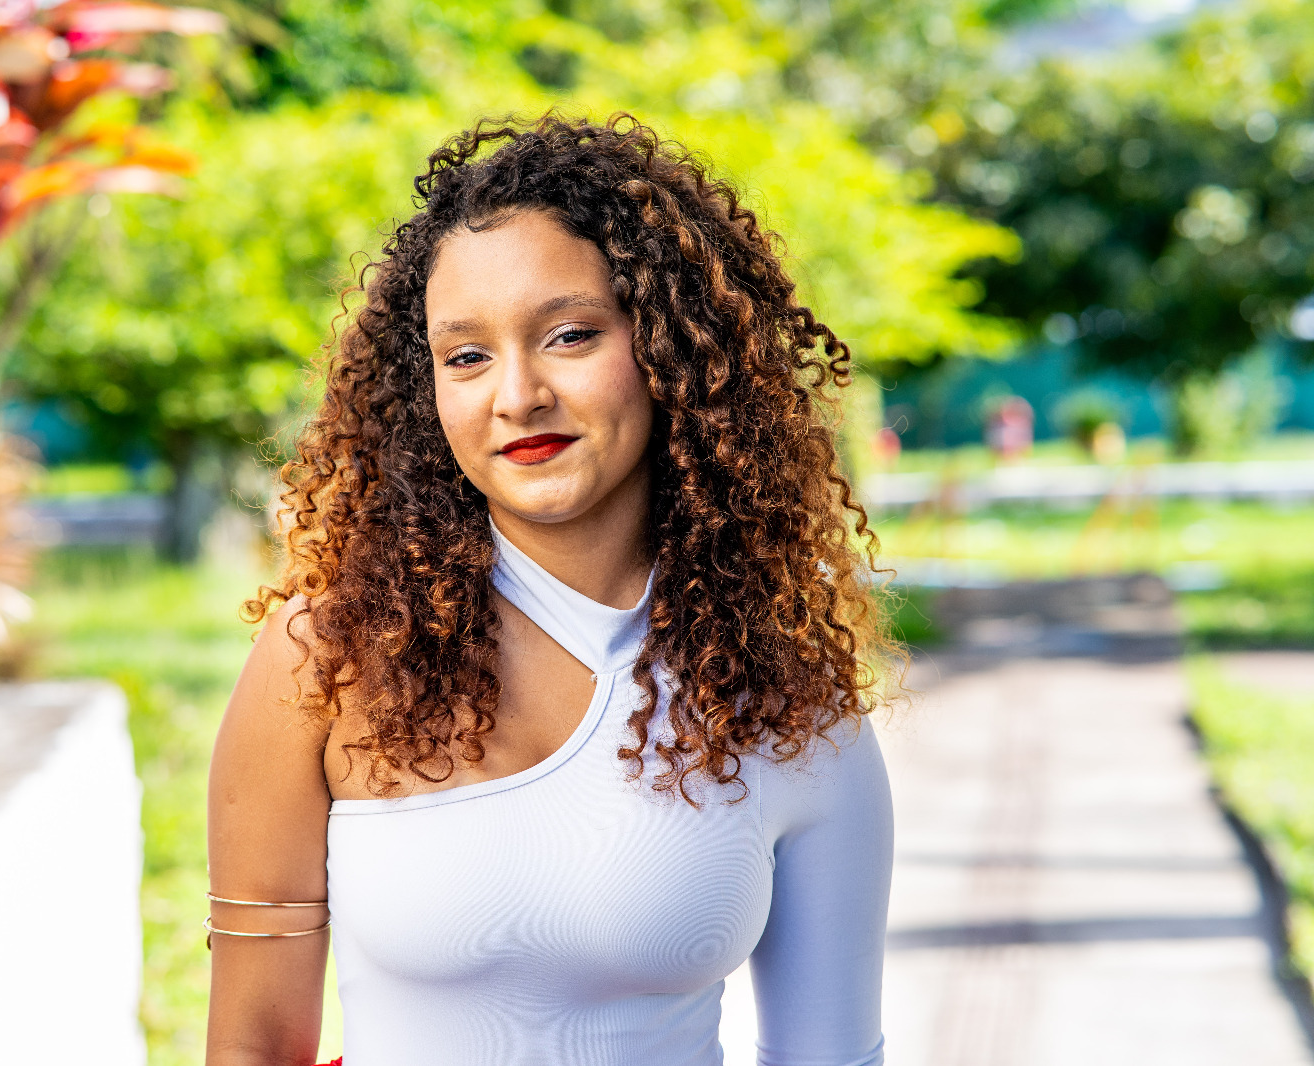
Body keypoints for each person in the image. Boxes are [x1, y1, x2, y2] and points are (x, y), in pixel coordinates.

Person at [206, 113, 898, 1066]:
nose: (517, 394)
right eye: (466, 356)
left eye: (570, 336)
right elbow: (249, 1049)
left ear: (670, 347)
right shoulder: (326, 660)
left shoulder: (787, 701)